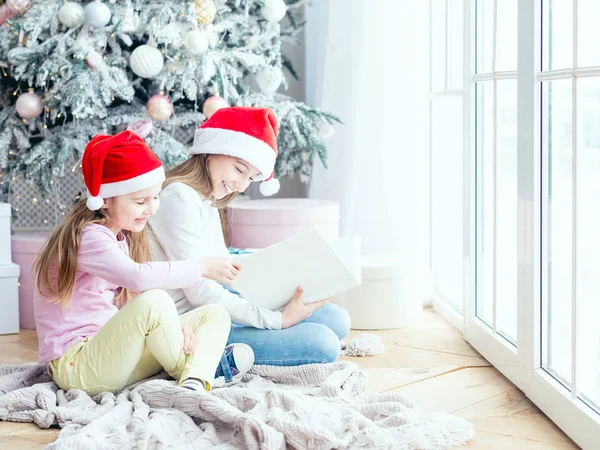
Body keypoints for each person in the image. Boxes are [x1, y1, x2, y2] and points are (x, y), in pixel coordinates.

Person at [33, 130, 254, 396]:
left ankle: (194, 381)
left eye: (156, 197)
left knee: (214, 313)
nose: (152, 210)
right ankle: (197, 366)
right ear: (104, 200)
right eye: (141, 201)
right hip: (77, 366)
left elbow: (125, 304)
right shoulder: (90, 237)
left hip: (111, 353)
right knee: (156, 299)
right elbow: (137, 278)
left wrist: (171, 328)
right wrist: (200, 267)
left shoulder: (119, 238)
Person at [147, 107, 351, 366]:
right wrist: (277, 320)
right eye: (239, 170)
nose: (242, 186)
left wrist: (281, 282)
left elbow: (221, 269)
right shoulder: (179, 197)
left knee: (338, 319)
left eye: (251, 177)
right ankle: (211, 358)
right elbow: (200, 291)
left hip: (215, 306)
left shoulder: (208, 199)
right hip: (197, 321)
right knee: (324, 344)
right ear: (212, 151)